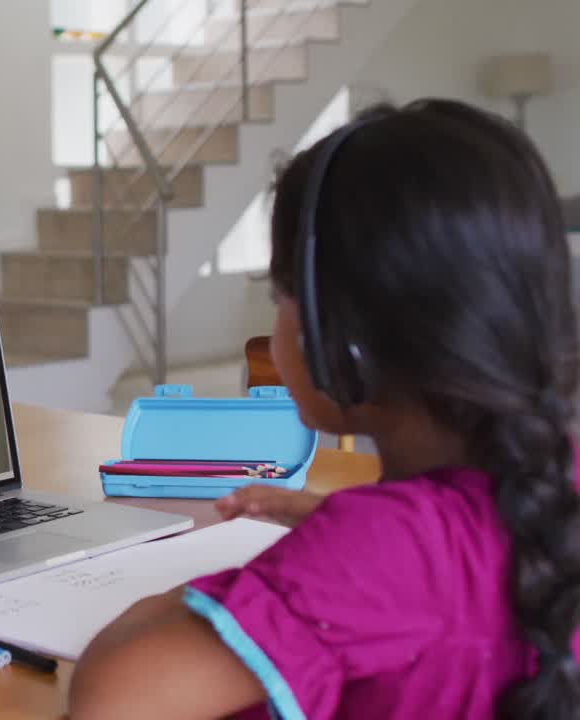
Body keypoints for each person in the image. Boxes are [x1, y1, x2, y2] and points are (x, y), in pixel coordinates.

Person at [68, 99, 580, 720]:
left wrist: (274, 580)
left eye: (280, 293)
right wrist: (338, 528)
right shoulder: (548, 486)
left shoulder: (384, 551)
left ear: (342, 335)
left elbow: (111, 701)